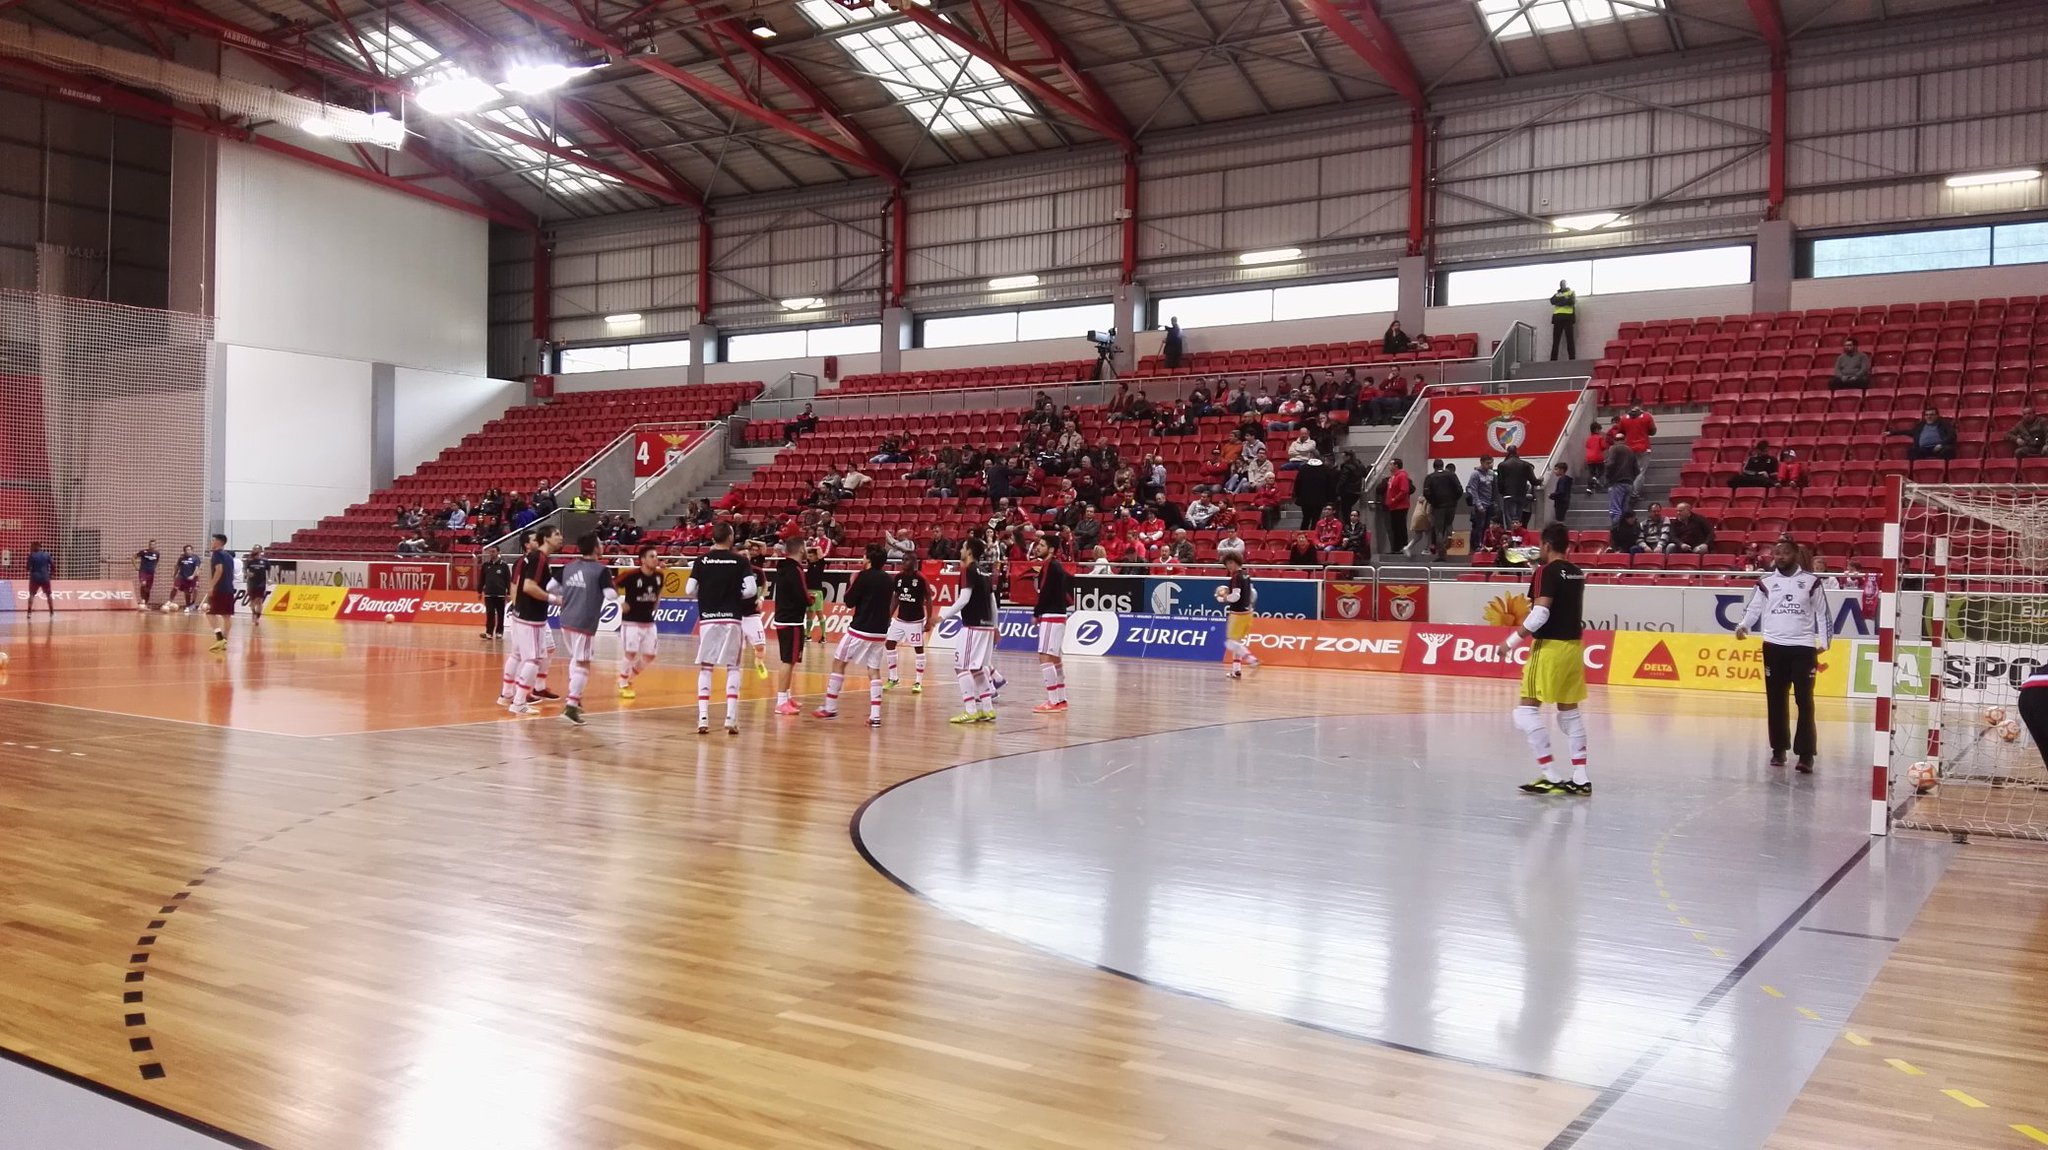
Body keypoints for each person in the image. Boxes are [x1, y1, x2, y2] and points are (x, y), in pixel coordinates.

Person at [1501, 522, 1591, 794]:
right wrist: (1537, 574)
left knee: (1525, 712)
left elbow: (1541, 613)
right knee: (1569, 713)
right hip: (1573, 648)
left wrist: (1510, 642)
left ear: (1547, 545)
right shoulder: (1576, 573)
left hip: (1549, 648)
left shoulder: (1545, 572)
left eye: (1540, 545)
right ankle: (1581, 779)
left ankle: (1550, 775)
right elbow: (1560, 593)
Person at [1733, 539, 1832, 772]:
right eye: (1777, 553)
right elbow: (1754, 608)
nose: (1780, 557)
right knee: (1776, 700)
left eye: (1785, 553)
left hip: (1803, 647)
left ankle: (1806, 755)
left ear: (1795, 555)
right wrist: (1743, 625)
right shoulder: (1766, 582)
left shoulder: (1811, 582)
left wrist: (1825, 642)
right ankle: (1778, 750)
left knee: (1804, 700)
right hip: (1774, 646)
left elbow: (1822, 613)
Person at [816, 544, 894, 727]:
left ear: (869, 559)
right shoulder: (888, 579)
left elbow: (849, 602)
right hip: (880, 632)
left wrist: (852, 583)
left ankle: (830, 707)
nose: (862, 558)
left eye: (864, 555)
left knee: (839, 662)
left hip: (860, 629)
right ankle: (875, 716)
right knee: (874, 670)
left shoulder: (862, 576)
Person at [688, 523, 752, 735]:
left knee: (706, 668)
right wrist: (735, 596)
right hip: (732, 618)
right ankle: (731, 717)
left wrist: (706, 595)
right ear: (731, 537)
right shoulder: (740, 560)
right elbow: (751, 590)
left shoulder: (701, 560)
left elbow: (689, 589)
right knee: (733, 667)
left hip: (708, 618)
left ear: (713, 537)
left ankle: (703, 717)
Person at [501, 526, 562, 715]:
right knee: (533, 659)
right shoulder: (539, 558)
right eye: (557, 534)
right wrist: (554, 599)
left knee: (519, 655)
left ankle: (507, 694)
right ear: (546, 538)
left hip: (522, 614)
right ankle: (519, 701)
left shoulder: (534, 558)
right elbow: (527, 586)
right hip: (531, 616)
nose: (561, 537)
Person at [552, 534, 610, 726]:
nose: (603, 545)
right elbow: (610, 595)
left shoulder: (568, 567)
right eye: (600, 543)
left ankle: (574, 697)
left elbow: (550, 587)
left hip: (566, 619)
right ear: (595, 548)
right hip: (584, 622)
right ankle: (571, 705)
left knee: (575, 659)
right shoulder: (601, 570)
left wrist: (570, 593)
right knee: (583, 663)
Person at [941, 536, 999, 725]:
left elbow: (964, 599)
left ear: (970, 551)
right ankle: (988, 709)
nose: (960, 551)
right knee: (977, 668)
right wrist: (996, 627)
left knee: (961, 666)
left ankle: (970, 710)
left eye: (963, 548)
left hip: (973, 625)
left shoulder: (968, 570)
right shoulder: (985, 572)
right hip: (987, 625)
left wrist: (942, 617)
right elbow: (993, 603)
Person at [615, 545, 663, 700]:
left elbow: (659, 590)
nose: (655, 559)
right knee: (631, 653)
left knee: (650, 655)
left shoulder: (659, 575)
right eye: (652, 556)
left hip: (649, 622)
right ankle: (623, 683)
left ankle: (627, 677)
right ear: (642, 560)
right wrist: (619, 602)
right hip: (631, 622)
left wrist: (656, 603)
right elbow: (611, 584)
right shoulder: (631, 575)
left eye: (656, 556)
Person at [1031, 536, 1072, 714]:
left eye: (1042, 545)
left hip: (1051, 615)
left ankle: (1053, 701)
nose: (1037, 547)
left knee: (1045, 656)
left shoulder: (1050, 566)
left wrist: (1036, 613)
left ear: (1052, 549)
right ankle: (1061, 699)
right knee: (1055, 658)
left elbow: (1045, 592)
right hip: (1059, 614)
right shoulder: (1057, 566)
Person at [768, 544, 810, 715]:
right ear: (800, 549)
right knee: (787, 660)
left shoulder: (783, 567)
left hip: (784, 617)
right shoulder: (795, 570)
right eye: (805, 546)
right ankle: (781, 702)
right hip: (791, 620)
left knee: (790, 660)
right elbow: (802, 593)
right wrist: (809, 600)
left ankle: (786, 696)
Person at [884, 556, 932, 693]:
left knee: (918, 649)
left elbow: (928, 598)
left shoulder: (921, 578)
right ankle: (893, 679)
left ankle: (918, 682)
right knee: (889, 644)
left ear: (914, 562)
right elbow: (896, 597)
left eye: (907, 560)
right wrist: (888, 616)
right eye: (903, 560)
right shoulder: (898, 577)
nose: (903, 562)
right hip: (900, 620)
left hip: (915, 621)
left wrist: (929, 620)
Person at [1219, 553, 1260, 680]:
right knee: (1237, 643)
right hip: (1248, 613)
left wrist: (1224, 598)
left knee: (1231, 642)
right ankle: (1236, 670)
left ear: (1235, 562)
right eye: (1227, 564)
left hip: (1237, 614)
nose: (1228, 566)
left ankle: (1252, 660)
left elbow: (1236, 596)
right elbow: (1253, 593)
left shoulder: (1235, 577)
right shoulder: (1246, 575)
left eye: (1230, 563)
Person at [737, 538, 772, 682]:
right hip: (736, 615)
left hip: (752, 614)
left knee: (760, 645)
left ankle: (759, 662)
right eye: (742, 555)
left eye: (747, 555)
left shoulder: (757, 571)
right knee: (737, 649)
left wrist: (761, 598)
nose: (745, 557)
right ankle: (736, 672)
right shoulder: (731, 571)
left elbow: (765, 585)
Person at [1422, 460, 1462, 560]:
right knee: (1448, 525)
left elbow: (1426, 493)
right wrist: (1454, 500)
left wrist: (1433, 502)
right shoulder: (1451, 475)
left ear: (1434, 466)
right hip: (1451, 505)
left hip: (1438, 507)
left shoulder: (1430, 477)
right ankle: (1448, 539)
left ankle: (1441, 553)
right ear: (1442, 466)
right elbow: (1459, 489)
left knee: (1438, 530)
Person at [1888, 407, 1957, 462]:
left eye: (1931, 415)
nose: (1929, 416)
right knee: (1912, 452)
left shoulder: (1944, 424)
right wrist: (1892, 433)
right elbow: (1910, 432)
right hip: (1923, 449)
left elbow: (1952, 435)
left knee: (1948, 451)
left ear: (1937, 416)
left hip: (1939, 448)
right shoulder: (1921, 425)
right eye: (1927, 415)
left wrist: (1941, 444)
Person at [204, 534, 235, 652]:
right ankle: (225, 640)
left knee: (210, 613)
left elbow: (219, 570)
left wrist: (211, 586)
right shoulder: (229, 556)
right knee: (227, 616)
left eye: (213, 540)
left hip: (220, 589)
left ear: (219, 542)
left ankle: (220, 638)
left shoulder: (217, 554)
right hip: (229, 588)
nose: (212, 542)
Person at [1495, 448, 1538, 531]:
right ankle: (1517, 535)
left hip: (1508, 495)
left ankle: (1511, 535)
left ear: (1508, 452)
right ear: (1517, 452)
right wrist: (1541, 480)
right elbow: (1534, 481)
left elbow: (1500, 482)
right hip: (1521, 495)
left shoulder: (1502, 465)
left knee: (1510, 519)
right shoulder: (1525, 465)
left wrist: (1502, 492)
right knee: (1518, 519)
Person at [1604, 433, 1639, 524]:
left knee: (1615, 509)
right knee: (1624, 510)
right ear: (1624, 440)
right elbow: (1637, 470)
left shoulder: (1614, 448)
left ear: (1614, 440)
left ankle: (1616, 528)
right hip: (1628, 484)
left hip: (1616, 483)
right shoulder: (1630, 450)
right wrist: (1631, 478)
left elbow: (1610, 464)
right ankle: (1623, 528)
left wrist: (1607, 477)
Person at [478, 544, 511, 641]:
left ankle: (499, 632)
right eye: (490, 552)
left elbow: (508, 580)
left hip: (500, 594)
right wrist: (479, 591)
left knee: (500, 614)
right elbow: (481, 579)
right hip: (489, 594)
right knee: (490, 613)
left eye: (493, 551)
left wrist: (509, 593)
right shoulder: (486, 565)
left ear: (498, 552)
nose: (491, 553)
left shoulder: (504, 566)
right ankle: (489, 632)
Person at [1381, 459, 1413, 556]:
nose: (1389, 466)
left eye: (1391, 464)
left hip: (1400, 506)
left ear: (1396, 465)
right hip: (1393, 506)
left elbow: (1404, 490)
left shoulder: (1402, 476)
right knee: (1395, 528)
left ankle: (1403, 547)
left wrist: (1394, 499)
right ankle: (1396, 548)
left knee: (1400, 527)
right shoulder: (1393, 477)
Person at [1465, 456, 1498, 546]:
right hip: (1480, 503)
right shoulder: (1475, 474)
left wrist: (1494, 502)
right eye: (1487, 463)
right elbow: (1473, 490)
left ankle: (1484, 544)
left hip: (1489, 503)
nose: (1490, 465)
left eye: (1491, 463)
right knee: (1479, 526)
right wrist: (1478, 504)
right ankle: (1476, 545)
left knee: (1486, 526)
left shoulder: (1492, 474)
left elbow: (1494, 489)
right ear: (1482, 462)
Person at [804, 546, 829, 642]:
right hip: (808, 591)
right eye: (809, 556)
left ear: (816, 556)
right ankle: (808, 635)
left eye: (811, 556)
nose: (809, 557)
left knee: (819, 613)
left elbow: (818, 549)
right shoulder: (810, 564)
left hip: (817, 592)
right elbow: (805, 552)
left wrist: (812, 547)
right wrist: (808, 549)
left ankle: (824, 636)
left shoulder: (820, 564)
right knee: (809, 614)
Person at [1549, 280, 1577, 360]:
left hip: (1568, 318)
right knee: (1556, 341)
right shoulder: (1557, 294)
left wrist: (1560, 301)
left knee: (1570, 340)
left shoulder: (1571, 292)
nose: (1562, 285)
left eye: (1564, 283)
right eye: (1561, 284)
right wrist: (1565, 299)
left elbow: (1571, 301)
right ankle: (1553, 360)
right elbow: (1552, 301)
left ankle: (1572, 359)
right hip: (1558, 318)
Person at [242, 545, 270, 626]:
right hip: (251, 583)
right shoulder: (249, 560)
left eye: (257, 549)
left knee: (260, 600)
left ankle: (257, 618)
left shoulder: (265, 561)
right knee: (252, 601)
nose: (255, 550)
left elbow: (268, 571)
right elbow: (244, 570)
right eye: (254, 549)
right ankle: (254, 613)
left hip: (261, 582)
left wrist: (269, 579)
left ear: (261, 550)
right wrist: (247, 574)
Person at [24, 541, 53, 617]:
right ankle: (51, 612)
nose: (31, 548)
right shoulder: (46, 554)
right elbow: (53, 565)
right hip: (45, 577)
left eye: (32, 546)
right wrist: (51, 574)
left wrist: (31, 568)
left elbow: (27, 568)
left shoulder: (32, 555)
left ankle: (29, 612)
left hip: (35, 577)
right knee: (48, 594)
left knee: (31, 594)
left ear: (35, 547)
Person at [133, 540, 159, 611]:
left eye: (153, 544)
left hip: (151, 573)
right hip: (143, 571)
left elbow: (156, 562)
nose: (152, 546)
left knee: (148, 590)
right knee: (143, 583)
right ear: (149, 545)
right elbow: (134, 557)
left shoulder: (157, 553)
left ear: (155, 545)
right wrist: (135, 566)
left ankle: (146, 604)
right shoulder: (144, 552)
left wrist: (154, 568)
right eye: (150, 544)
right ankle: (143, 600)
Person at [1582, 422, 1607, 493]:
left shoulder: (1589, 438)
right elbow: (1603, 446)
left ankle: (1589, 488)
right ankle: (1595, 479)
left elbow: (1587, 446)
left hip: (1589, 458)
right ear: (1596, 429)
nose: (1600, 431)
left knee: (1591, 473)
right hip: (1598, 457)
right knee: (1601, 470)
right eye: (1599, 430)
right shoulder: (1600, 438)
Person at [173, 545, 200, 612]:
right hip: (184, 576)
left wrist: (193, 576)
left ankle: (193, 603)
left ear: (192, 550)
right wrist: (174, 575)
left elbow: (197, 568)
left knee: (195, 589)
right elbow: (177, 566)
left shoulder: (196, 558)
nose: (188, 551)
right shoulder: (182, 558)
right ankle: (187, 605)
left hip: (193, 577)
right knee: (185, 591)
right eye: (186, 550)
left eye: (189, 550)